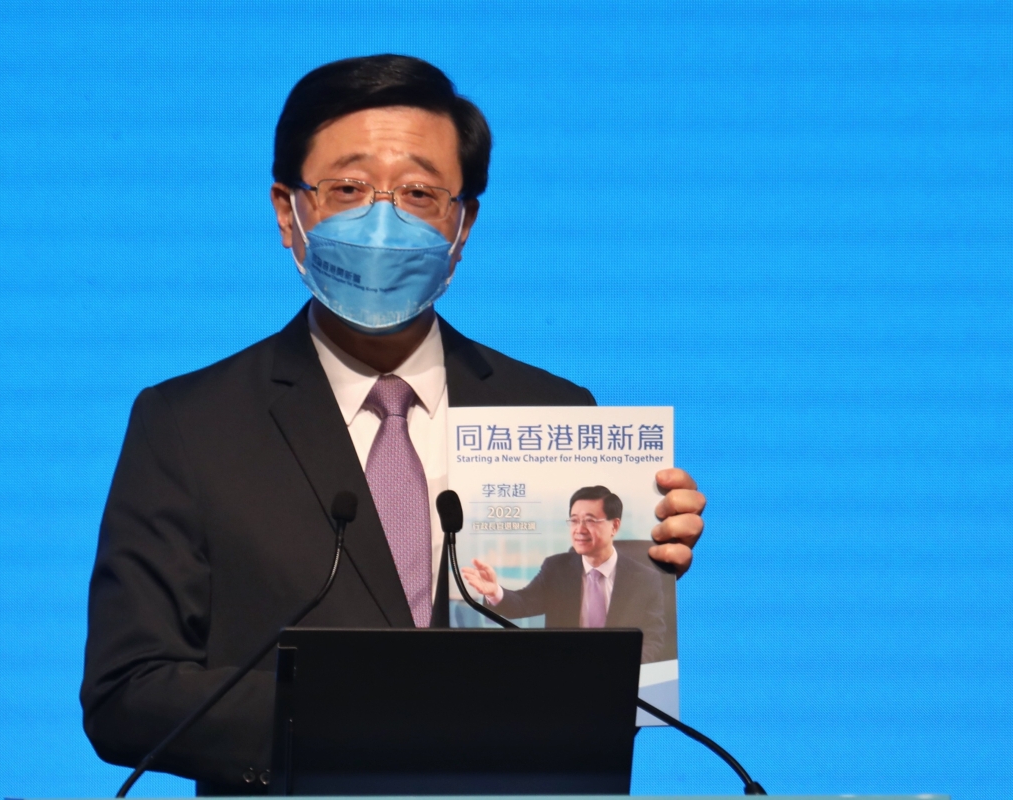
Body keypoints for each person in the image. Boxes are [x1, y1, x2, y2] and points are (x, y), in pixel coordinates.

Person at [80, 54, 706, 794]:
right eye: (348, 189)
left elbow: (592, 691)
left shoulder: (554, 414)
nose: (383, 221)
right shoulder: (189, 425)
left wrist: (639, 573)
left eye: (419, 193)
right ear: (288, 211)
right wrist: (369, 715)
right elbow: (128, 694)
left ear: (463, 224)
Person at [461, 486, 669, 663]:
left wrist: (625, 666)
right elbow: (523, 603)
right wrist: (494, 591)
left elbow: (653, 639)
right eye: (574, 520)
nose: (580, 529)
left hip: (619, 675)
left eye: (590, 520)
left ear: (614, 525)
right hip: (564, 672)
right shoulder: (556, 568)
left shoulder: (644, 579)